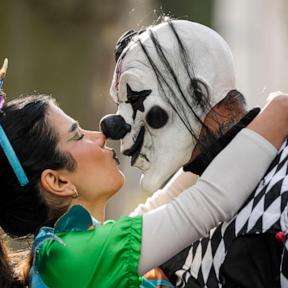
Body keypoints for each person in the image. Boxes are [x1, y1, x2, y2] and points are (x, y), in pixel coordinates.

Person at [0, 60, 288, 288]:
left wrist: (200, 139)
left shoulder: (65, 254)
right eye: (78, 135)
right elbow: (210, 201)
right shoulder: (76, 258)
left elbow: (168, 204)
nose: (101, 134)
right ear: (58, 181)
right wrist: (280, 108)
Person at [100, 18, 288, 287]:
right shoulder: (184, 219)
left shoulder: (277, 196)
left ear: (198, 95)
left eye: (134, 99)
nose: (114, 128)